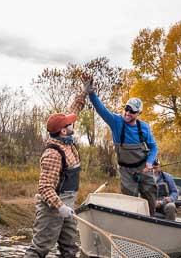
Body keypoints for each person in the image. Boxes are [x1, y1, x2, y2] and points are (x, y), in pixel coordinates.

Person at [24, 92, 87, 258]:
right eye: (68, 124)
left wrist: (84, 92)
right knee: (39, 250)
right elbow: (45, 188)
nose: (72, 123)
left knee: (70, 249)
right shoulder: (53, 153)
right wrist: (60, 207)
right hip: (52, 207)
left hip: (68, 204)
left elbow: (73, 113)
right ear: (64, 131)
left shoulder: (65, 140)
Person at [84, 77, 158, 216]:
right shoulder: (116, 122)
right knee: (130, 200)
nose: (128, 113)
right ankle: (132, 224)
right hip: (126, 171)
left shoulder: (144, 128)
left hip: (144, 169)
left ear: (139, 113)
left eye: (132, 111)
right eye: (127, 109)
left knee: (150, 195)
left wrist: (149, 163)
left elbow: (154, 148)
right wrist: (91, 94)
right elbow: (101, 110)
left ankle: (153, 219)